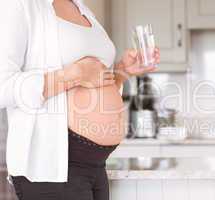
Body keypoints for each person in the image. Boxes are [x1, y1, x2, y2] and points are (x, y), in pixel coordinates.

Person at [0, 0, 160, 199]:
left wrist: (122, 71)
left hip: (95, 164)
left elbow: (92, 82)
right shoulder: (19, 4)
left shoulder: (81, 8)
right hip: (53, 165)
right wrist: (72, 75)